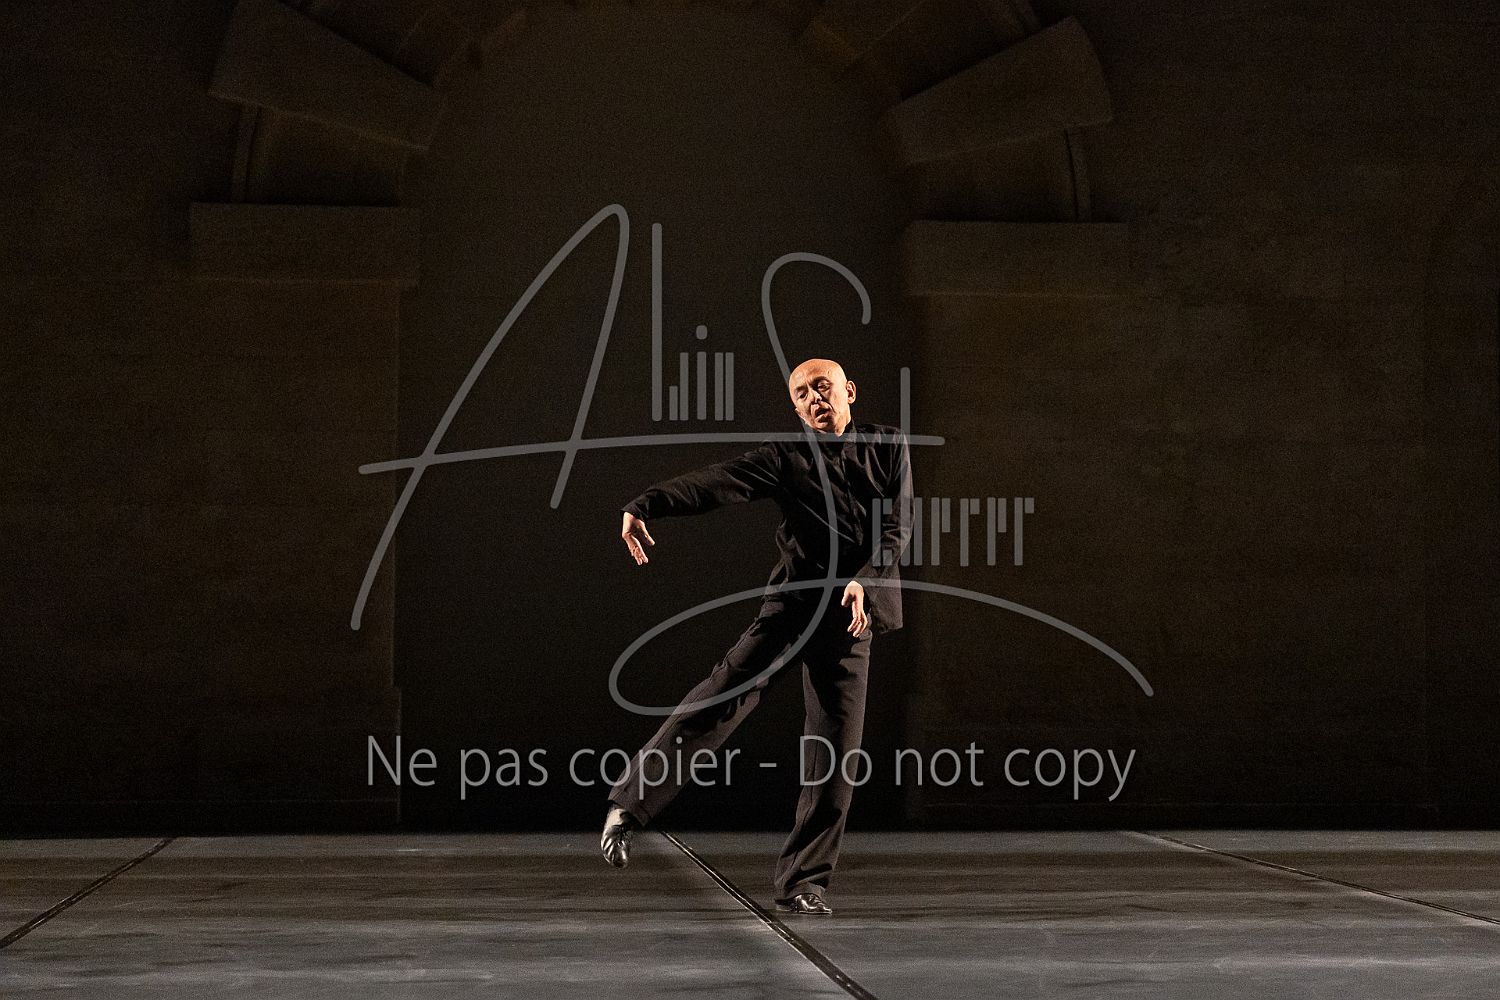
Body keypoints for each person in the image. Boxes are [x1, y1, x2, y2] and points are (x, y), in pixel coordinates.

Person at [601, 358, 914, 915]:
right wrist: (644, 504)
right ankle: (627, 808)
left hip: (851, 615)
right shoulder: (785, 456)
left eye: (823, 387)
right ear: (796, 408)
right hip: (794, 606)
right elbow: (717, 483)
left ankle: (804, 883)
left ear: (849, 390)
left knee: (837, 752)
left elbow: (898, 526)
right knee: (720, 697)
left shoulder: (887, 446)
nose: (815, 398)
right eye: (803, 394)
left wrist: (865, 582)